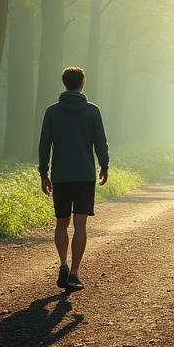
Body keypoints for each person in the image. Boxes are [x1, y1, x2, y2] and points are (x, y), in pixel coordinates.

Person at [39, 66, 109, 291]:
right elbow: (101, 142)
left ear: (64, 83)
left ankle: (62, 264)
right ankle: (74, 274)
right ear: (83, 83)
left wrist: (44, 173)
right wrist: (104, 165)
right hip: (84, 176)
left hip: (60, 176)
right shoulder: (92, 111)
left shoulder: (52, 112)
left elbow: (44, 145)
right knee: (80, 225)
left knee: (61, 223)